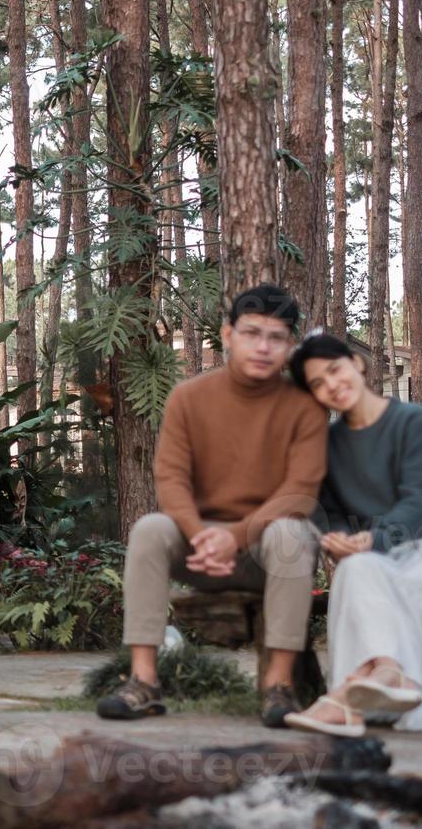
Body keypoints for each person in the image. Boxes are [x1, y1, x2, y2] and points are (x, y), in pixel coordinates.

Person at [96, 284, 328, 728]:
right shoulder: (189, 397)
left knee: (291, 533)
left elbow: (300, 489)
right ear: (227, 334)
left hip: (266, 552)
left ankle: (278, 689)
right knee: (149, 529)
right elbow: (170, 478)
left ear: (290, 345)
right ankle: (143, 681)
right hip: (200, 548)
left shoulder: (305, 407)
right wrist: (205, 536)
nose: (263, 347)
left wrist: (236, 537)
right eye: (252, 333)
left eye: (276, 337)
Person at [281, 332, 422, 736]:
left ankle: (345, 701)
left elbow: (419, 500)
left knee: (362, 566)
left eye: (335, 370)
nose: (331, 385)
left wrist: (372, 539)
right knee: (353, 571)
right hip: (375, 558)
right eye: (318, 383)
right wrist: (337, 538)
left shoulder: (410, 420)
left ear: (357, 363)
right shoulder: (328, 445)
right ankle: (387, 673)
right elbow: (325, 509)